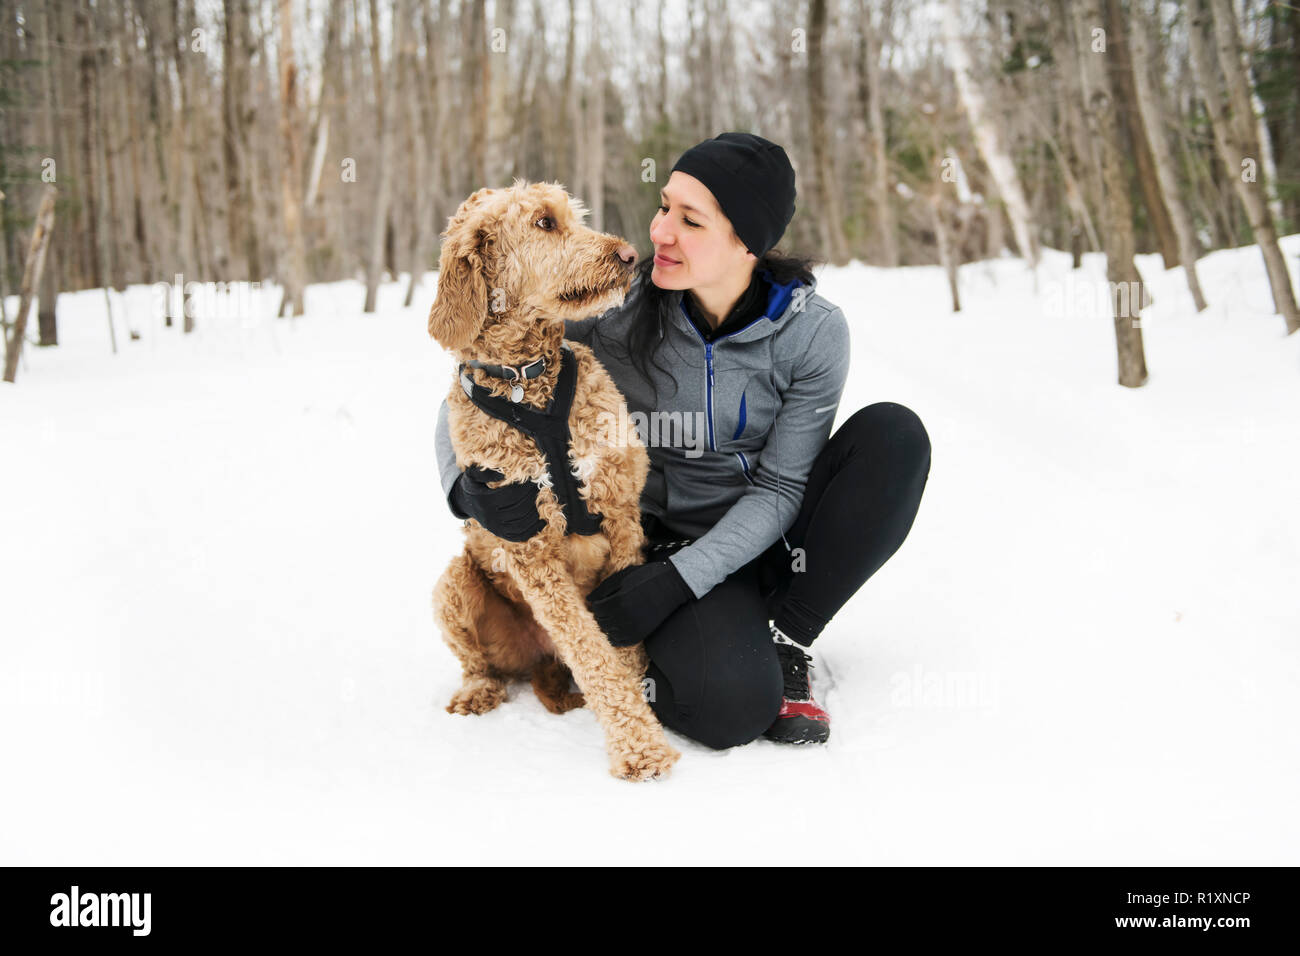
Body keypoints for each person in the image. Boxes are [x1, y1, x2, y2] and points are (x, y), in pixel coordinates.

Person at [435, 132, 931, 749]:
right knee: (727, 712)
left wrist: (679, 584)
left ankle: (787, 637)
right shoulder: (612, 305)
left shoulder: (812, 333)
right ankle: (724, 637)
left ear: (746, 242)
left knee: (894, 435)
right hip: (653, 548)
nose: (660, 231)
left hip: (764, 540)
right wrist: (467, 490)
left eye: (690, 220)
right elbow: (485, 370)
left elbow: (781, 487)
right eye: (664, 205)